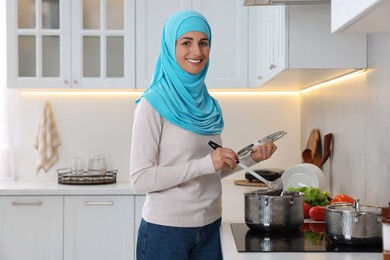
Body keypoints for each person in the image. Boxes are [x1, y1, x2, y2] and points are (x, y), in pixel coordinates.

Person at [129, 10, 277, 260]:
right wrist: (207, 163)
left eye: (203, 42)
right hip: (165, 232)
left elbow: (211, 170)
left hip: (209, 228)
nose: (197, 52)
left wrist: (251, 159)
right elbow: (140, 179)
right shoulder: (152, 103)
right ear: (170, 46)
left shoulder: (208, 104)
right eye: (186, 42)